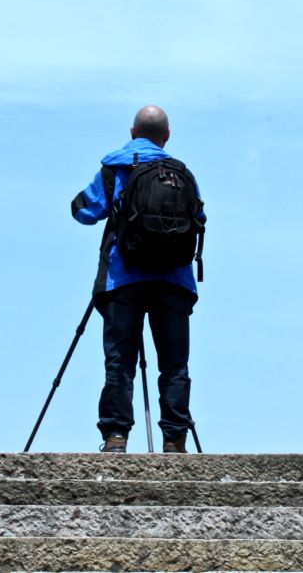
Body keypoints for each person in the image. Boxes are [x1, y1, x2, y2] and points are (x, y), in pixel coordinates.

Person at [71, 105, 204, 453]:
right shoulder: (182, 173)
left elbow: (85, 211)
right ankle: (175, 440)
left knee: (120, 362)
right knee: (174, 364)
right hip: (174, 281)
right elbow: (200, 217)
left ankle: (116, 437)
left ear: (132, 133)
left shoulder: (115, 168)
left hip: (122, 280)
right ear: (168, 135)